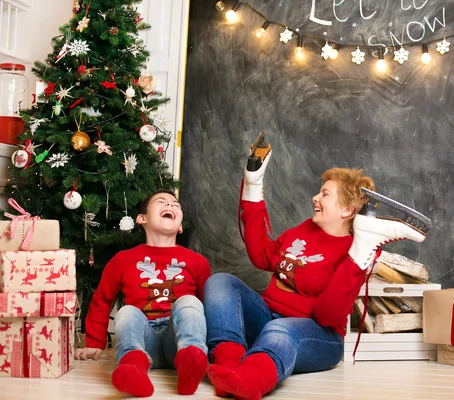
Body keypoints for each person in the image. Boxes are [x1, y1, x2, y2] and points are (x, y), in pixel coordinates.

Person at [204, 137, 427, 400]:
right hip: (268, 317)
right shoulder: (304, 229)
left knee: (281, 331)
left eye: (325, 194)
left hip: (317, 336)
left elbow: (327, 316)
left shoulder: (352, 253)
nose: (315, 197)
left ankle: (252, 379)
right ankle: (229, 366)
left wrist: (356, 257)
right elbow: (262, 255)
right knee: (220, 282)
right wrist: (253, 187)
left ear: (347, 210)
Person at [74, 191, 212, 397]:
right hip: (142, 340)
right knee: (127, 312)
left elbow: (206, 306)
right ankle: (133, 366)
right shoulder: (123, 260)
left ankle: (191, 361)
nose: (170, 205)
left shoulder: (197, 262)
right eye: (161, 202)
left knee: (190, 302)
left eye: (176, 205)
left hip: (177, 341)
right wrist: (94, 342)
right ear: (142, 219)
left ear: (180, 226)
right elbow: (102, 299)